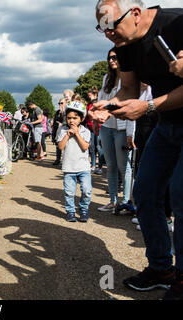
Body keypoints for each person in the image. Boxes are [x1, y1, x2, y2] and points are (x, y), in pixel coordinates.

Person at [93, 0, 183, 300]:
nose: (108, 35)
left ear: (134, 13)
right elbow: (129, 89)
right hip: (167, 124)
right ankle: (161, 268)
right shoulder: (126, 43)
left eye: (111, 25)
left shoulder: (176, 23)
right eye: (101, 28)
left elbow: (145, 101)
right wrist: (110, 106)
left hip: (166, 116)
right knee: (144, 194)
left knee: (181, 196)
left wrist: (147, 107)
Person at [89, 48, 135, 214]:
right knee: (111, 166)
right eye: (109, 58)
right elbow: (103, 99)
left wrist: (131, 132)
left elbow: (131, 101)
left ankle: (127, 202)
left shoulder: (129, 77)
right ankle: (113, 201)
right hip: (107, 127)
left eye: (115, 57)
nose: (111, 60)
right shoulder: (107, 78)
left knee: (125, 166)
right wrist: (95, 120)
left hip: (122, 127)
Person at [131, 83, 173, 233]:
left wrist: (148, 106)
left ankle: (166, 217)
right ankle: (150, 217)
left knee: (169, 182)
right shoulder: (141, 91)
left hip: (162, 127)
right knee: (144, 183)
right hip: (148, 132)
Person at [57, 101, 92, 223]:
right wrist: (67, 135)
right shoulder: (62, 129)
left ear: (81, 119)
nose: (71, 121)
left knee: (87, 190)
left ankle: (83, 209)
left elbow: (85, 146)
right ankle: (70, 211)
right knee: (69, 192)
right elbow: (60, 147)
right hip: (69, 167)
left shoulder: (85, 131)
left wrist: (76, 134)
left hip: (83, 167)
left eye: (75, 118)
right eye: (69, 118)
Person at [87, 87, 104, 175]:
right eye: (88, 96)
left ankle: (100, 166)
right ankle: (93, 165)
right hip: (90, 128)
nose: (89, 97)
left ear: (95, 95)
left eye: (90, 96)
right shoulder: (89, 104)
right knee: (92, 147)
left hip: (99, 128)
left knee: (99, 147)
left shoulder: (99, 103)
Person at [52, 98, 67, 165]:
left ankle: (65, 160)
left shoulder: (67, 111)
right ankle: (57, 159)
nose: (60, 104)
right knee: (57, 146)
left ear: (66, 103)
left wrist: (63, 113)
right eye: (59, 103)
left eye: (61, 103)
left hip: (65, 131)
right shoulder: (57, 112)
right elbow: (55, 122)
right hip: (58, 130)